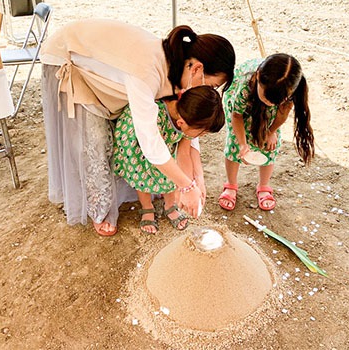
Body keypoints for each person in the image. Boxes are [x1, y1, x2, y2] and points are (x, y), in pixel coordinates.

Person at [40, 20, 235, 236]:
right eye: (211, 86)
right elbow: (150, 143)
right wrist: (186, 186)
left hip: (104, 70)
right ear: (198, 68)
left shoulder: (179, 69)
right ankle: (100, 210)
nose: (209, 92)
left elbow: (189, 134)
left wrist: (197, 178)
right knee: (96, 142)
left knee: (104, 137)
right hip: (68, 55)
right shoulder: (148, 70)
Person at [113, 86, 224, 234]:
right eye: (202, 132)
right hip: (137, 147)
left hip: (162, 146)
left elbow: (184, 154)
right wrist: (186, 186)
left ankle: (170, 205)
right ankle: (147, 207)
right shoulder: (156, 116)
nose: (202, 136)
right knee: (141, 175)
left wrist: (190, 184)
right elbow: (153, 153)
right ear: (181, 124)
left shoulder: (190, 116)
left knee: (173, 174)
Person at [218, 53, 314, 211]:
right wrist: (242, 144)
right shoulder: (244, 86)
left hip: (269, 114)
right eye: (267, 98)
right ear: (257, 77)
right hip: (241, 110)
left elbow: (282, 113)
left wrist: (271, 131)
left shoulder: (288, 91)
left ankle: (263, 186)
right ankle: (231, 185)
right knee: (234, 146)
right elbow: (237, 116)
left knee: (270, 146)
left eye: (274, 101)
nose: (269, 103)